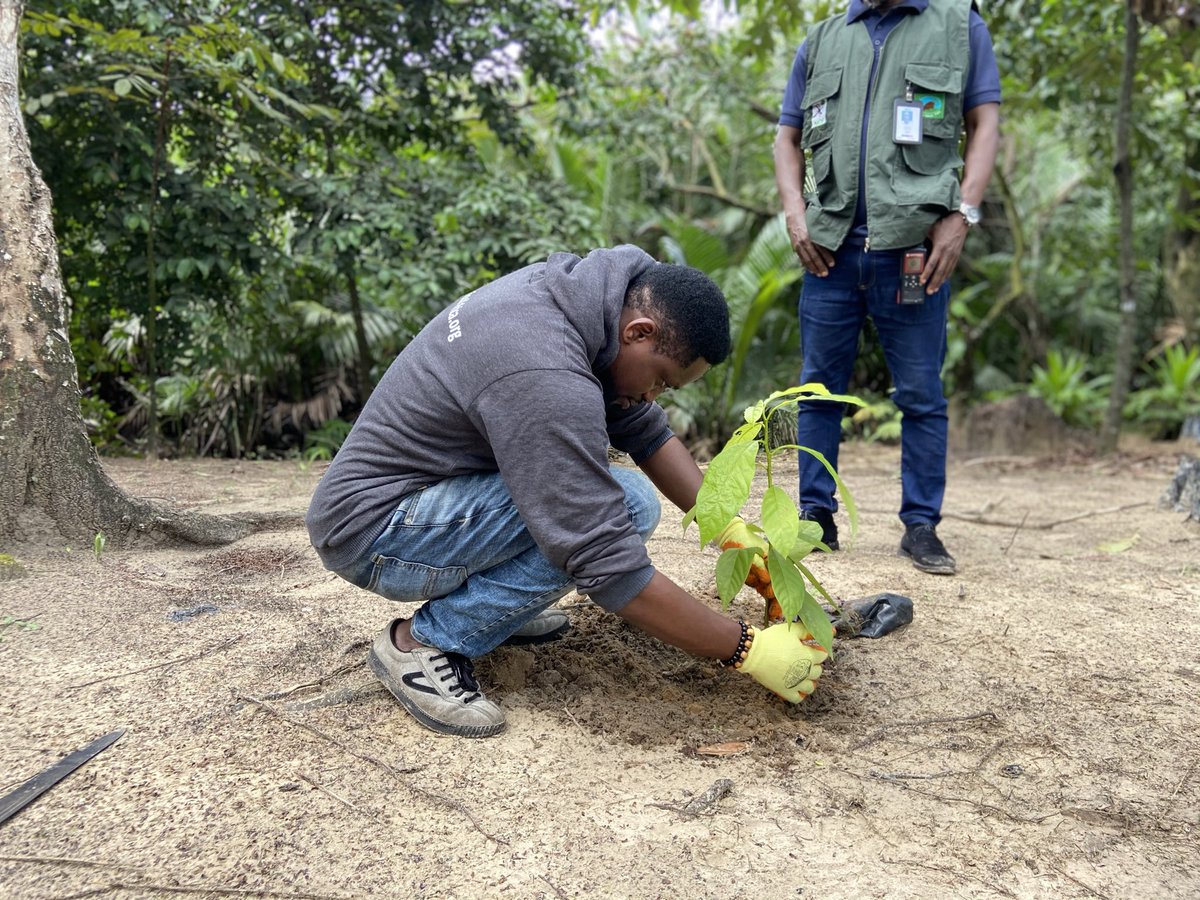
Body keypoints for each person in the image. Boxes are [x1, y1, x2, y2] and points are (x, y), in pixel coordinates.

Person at [305, 246, 829, 738]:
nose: (653, 396)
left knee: (621, 502)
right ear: (640, 331)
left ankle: (497, 607)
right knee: (619, 507)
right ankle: (424, 644)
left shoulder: (595, 300)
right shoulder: (544, 368)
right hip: (377, 531)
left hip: (427, 497)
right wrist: (748, 649)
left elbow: (643, 428)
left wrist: (732, 532)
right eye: (663, 381)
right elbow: (604, 562)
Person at [773, 0, 1001, 575]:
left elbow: (985, 123)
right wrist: (795, 213)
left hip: (916, 249)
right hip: (829, 248)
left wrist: (963, 214)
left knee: (921, 394)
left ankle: (921, 527)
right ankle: (814, 518)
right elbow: (787, 136)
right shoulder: (823, 38)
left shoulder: (958, 26)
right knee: (818, 390)